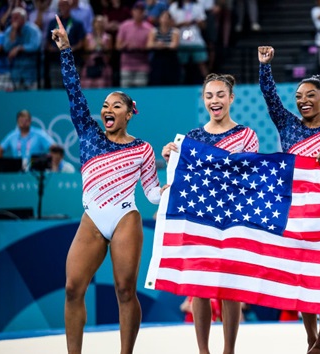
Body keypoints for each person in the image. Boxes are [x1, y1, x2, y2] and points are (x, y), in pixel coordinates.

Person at [51, 15, 166, 353]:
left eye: (116, 105)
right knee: (73, 288)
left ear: (130, 112)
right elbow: (74, 92)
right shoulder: (89, 135)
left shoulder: (141, 148)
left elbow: (153, 195)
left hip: (124, 217)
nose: (107, 109)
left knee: (124, 290)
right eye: (105, 106)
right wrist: (66, 52)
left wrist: (173, 184)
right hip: (93, 216)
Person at [258, 45, 320, 354]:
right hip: (294, 211)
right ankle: (311, 339)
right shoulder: (288, 125)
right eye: (298, 97)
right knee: (300, 281)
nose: (303, 101)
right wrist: (265, 66)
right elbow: (271, 99)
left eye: (310, 96)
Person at [161, 72, 259, 354]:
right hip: (200, 219)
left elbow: (249, 175)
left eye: (220, 95)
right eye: (209, 96)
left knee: (229, 288)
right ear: (203, 100)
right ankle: (203, 351)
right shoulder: (192, 138)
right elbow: (184, 177)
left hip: (232, 219)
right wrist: (172, 155)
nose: (214, 100)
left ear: (231, 98)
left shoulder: (246, 135)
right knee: (199, 287)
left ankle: (229, 350)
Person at [2, 7, 42, 90]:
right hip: (16, 73)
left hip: (32, 73)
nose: (14, 20)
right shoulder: (9, 31)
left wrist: (19, 48)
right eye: (12, 17)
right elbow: (6, 47)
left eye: (17, 17)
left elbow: (35, 45)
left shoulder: (33, 30)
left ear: (24, 18)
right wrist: (13, 32)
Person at [116, 1, 154, 87]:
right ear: (132, 11)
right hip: (126, 65)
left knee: (140, 93)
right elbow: (118, 46)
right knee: (125, 95)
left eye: (141, 11)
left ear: (144, 13)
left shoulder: (149, 28)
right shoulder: (124, 26)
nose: (139, 13)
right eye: (137, 10)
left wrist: (139, 47)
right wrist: (125, 45)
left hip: (142, 66)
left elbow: (150, 45)